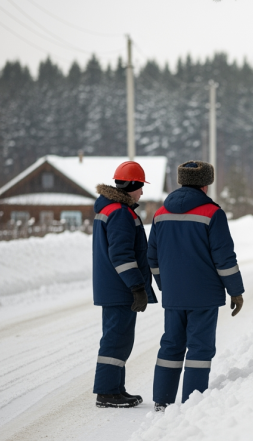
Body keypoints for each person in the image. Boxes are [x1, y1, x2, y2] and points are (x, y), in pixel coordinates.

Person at [147, 160, 245, 411]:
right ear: (206, 184)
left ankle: (162, 400)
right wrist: (235, 290)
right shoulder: (213, 213)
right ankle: (192, 401)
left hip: (173, 295)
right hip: (204, 295)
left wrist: (164, 285)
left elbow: (152, 258)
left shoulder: (160, 214)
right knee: (199, 348)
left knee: (171, 344)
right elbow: (224, 258)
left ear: (181, 181)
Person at [91, 161, 158, 408]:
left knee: (118, 339)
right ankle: (107, 393)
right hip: (120, 288)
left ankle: (115, 388)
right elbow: (121, 255)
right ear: (132, 185)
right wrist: (136, 287)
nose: (142, 192)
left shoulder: (109, 209)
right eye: (140, 187)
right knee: (116, 339)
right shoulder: (120, 213)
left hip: (113, 286)